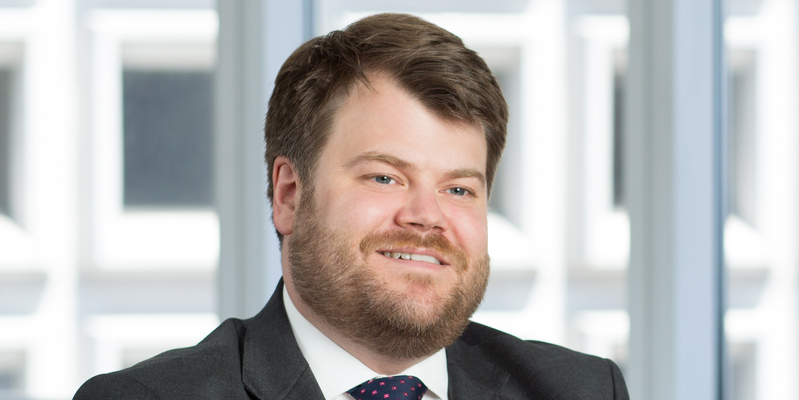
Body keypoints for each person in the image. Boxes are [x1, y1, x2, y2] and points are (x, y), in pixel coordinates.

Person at [74, 13, 628, 400]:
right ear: (290, 194)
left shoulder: (580, 390)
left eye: (459, 189)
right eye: (385, 177)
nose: (426, 216)